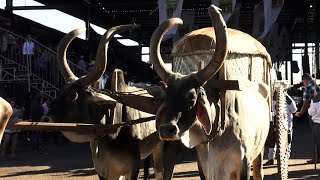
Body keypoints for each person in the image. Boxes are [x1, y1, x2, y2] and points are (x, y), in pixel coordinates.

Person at [265, 89, 297, 165]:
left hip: (275, 123)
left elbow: (272, 110)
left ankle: (270, 158)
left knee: (272, 143)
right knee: (287, 142)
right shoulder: (288, 99)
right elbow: (294, 110)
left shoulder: (272, 98)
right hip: (287, 125)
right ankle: (285, 159)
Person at [295, 73, 320, 163]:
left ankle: (317, 157)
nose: (303, 84)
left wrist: (300, 113)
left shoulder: (308, 87)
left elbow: (306, 103)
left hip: (316, 115)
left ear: (305, 80)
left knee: (316, 137)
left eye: (303, 82)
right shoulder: (317, 82)